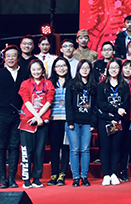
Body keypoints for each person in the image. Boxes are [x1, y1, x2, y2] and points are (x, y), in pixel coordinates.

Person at [0, 45, 26, 188]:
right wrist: (2, 105)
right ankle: (2, 179)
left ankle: (12, 178)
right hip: (2, 115)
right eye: (8, 56)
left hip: (18, 116)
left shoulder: (24, 74)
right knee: (2, 147)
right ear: (4, 58)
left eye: (13, 55)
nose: (10, 58)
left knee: (14, 147)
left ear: (18, 58)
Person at [18, 59, 55, 188]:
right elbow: (26, 101)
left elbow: (49, 101)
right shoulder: (25, 83)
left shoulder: (48, 83)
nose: (36, 72)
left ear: (43, 70)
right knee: (26, 151)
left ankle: (37, 179)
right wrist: (36, 116)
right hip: (28, 121)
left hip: (42, 122)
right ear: (30, 71)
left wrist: (39, 118)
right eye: (33, 69)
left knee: (39, 151)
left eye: (38, 69)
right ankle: (26, 179)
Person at [96, 59, 130, 186]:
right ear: (107, 70)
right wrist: (115, 111)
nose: (113, 70)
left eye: (116, 67)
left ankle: (114, 174)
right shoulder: (101, 86)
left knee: (116, 147)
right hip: (104, 120)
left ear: (120, 69)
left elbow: (125, 104)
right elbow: (101, 104)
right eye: (111, 68)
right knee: (105, 147)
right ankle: (106, 174)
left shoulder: (124, 86)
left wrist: (117, 117)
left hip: (119, 121)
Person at [65, 60, 97, 186]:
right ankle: (75, 177)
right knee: (74, 149)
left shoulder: (94, 85)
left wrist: (93, 123)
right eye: (82, 68)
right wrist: (70, 121)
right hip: (74, 122)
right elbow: (68, 104)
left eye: (87, 68)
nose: (85, 70)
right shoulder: (72, 84)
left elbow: (95, 106)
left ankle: (84, 176)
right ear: (78, 69)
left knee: (85, 149)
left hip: (88, 122)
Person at [47, 58, 71, 186]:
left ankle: (62, 174)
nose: (61, 68)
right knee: (55, 148)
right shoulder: (49, 83)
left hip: (68, 119)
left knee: (66, 147)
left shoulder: (72, 82)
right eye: (58, 66)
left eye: (64, 65)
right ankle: (54, 174)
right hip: (54, 119)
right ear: (54, 69)